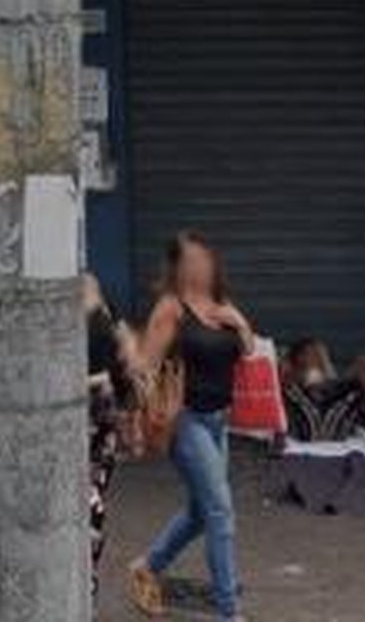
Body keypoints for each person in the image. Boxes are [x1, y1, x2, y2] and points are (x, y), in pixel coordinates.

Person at [128, 232, 257, 621]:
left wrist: (240, 324)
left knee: (202, 511)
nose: (200, 265)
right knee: (220, 512)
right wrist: (144, 406)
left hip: (219, 420)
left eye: (204, 257)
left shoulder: (221, 304)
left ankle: (148, 566)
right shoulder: (172, 308)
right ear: (178, 266)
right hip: (186, 422)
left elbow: (248, 350)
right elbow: (144, 365)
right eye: (192, 259)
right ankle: (228, 611)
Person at [83, 274, 137, 598]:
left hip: (96, 424)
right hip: (94, 423)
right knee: (91, 503)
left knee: (90, 502)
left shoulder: (99, 309)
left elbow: (128, 358)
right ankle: (86, 585)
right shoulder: (104, 310)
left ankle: (85, 586)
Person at [279, 333, 365, 456]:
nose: (317, 360)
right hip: (305, 422)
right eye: (312, 357)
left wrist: (329, 379)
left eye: (320, 358)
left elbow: (361, 383)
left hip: (336, 414)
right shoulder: (291, 386)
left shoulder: (341, 389)